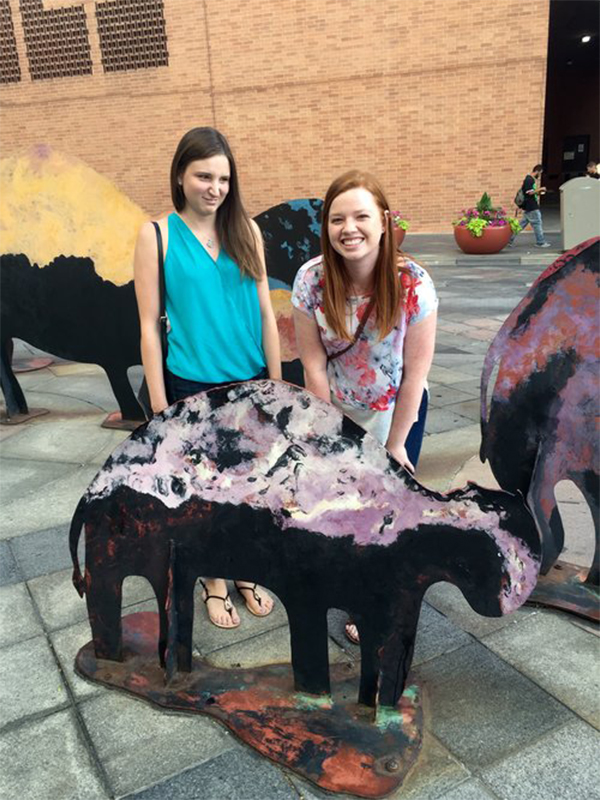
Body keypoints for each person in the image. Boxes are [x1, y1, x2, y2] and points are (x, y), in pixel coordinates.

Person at [134, 127, 281, 629]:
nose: (214, 187)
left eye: (222, 177)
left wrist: (278, 386)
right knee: (204, 491)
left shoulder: (248, 232)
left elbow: (266, 314)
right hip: (190, 385)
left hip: (250, 381)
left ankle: (245, 571)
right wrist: (158, 407)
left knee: (250, 487)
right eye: (203, 176)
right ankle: (214, 582)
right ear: (180, 175)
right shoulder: (156, 235)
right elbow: (150, 328)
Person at [291, 170, 438, 644]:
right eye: (337, 219)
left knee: (390, 505)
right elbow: (312, 367)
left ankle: (379, 593)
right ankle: (351, 586)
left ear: (383, 222)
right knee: (346, 506)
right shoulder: (312, 280)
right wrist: (327, 436)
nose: (348, 228)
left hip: (398, 408)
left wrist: (396, 443)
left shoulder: (412, 282)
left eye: (360, 216)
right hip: (340, 409)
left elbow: (416, 372)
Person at [509, 164, 551, 247]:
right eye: (540, 173)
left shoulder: (529, 179)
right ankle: (540, 242)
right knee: (537, 223)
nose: (540, 175)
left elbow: (529, 193)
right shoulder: (529, 180)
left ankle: (509, 239)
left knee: (521, 224)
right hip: (532, 207)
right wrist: (540, 189)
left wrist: (538, 193)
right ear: (537, 171)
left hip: (528, 206)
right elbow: (529, 192)